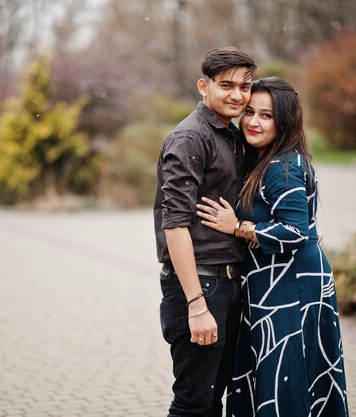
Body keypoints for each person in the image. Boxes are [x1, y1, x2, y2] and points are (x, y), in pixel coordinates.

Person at [196, 77, 349, 416]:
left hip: (292, 285)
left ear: (284, 122)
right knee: (273, 377)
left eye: (266, 116)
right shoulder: (264, 160)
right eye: (250, 112)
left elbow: (293, 231)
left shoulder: (283, 166)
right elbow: (299, 224)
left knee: (288, 377)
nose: (253, 121)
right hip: (272, 282)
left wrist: (236, 227)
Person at [154, 47, 257, 417]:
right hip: (199, 289)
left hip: (227, 286)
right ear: (203, 86)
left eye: (244, 87)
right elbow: (175, 224)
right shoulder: (190, 139)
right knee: (193, 404)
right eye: (226, 85)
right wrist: (196, 305)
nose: (237, 95)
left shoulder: (230, 133)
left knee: (213, 402)